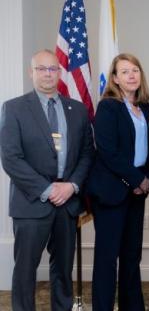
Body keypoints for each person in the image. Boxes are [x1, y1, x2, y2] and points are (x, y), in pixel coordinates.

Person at [0, 49, 94, 311]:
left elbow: (87, 153)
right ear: (31, 73)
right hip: (31, 204)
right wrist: (48, 189)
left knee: (63, 271)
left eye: (52, 69)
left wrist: (72, 185)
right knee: (25, 271)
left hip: (67, 203)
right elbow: (11, 159)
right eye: (41, 69)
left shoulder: (77, 110)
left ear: (59, 72)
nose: (47, 74)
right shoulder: (14, 108)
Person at [86, 53, 149, 311]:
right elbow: (107, 151)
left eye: (135, 70)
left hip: (137, 192)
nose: (131, 75)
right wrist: (137, 179)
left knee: (131, 257)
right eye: (124, 71)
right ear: (114, 78)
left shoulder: (145, 108)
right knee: (106, 259)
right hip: (112, 192)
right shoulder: (108, 107)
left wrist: (146, 180)